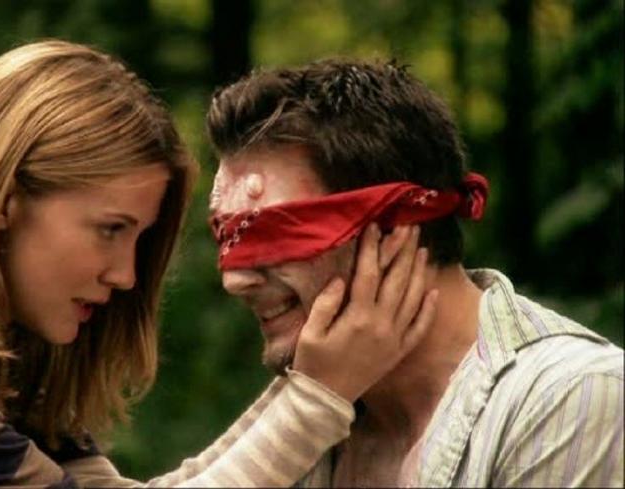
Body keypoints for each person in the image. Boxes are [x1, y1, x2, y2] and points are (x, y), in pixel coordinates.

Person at [0, 40, 434, 488]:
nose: (125, 276)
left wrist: (314, 386)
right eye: (110, 230)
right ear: (4, 199)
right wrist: (317, 395)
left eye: (137, 239)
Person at [204, 58, 624, 487]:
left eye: (273, 234)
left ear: (395, 229)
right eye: (224, 233)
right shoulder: (300, 425)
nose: (234, 281)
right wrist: (307, 406)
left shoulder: (569, 398)